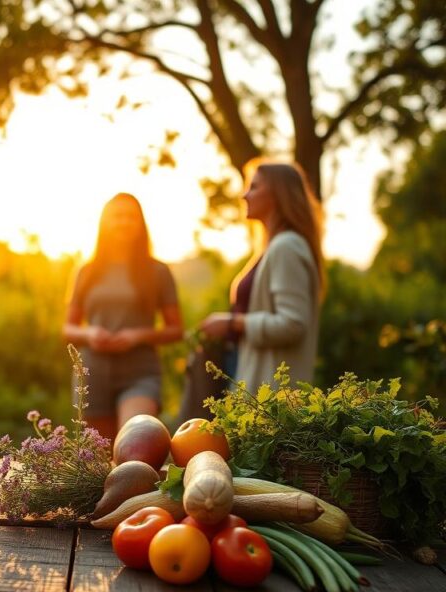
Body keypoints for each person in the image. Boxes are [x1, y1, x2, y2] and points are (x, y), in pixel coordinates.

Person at [63, 192, 183, 441]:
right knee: (97, 457)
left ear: (141, 223)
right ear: (104, 222)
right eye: (117, 216)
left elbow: (176, 329)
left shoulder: (158, 271)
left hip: (140, 372)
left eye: (131, 217)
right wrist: (89, 333)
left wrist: (137, 335)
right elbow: (68, 328)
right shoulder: (86, 271)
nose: (124, 222)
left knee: (135, 444)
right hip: (92, 373)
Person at [196, 159, 325, 391]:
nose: (244, 195)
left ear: (278, 195)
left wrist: (232, 323)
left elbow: (293, 324)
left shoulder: (286, 247)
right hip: (258, 381)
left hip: (273, 393)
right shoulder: (273, 247)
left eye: (254, 187)